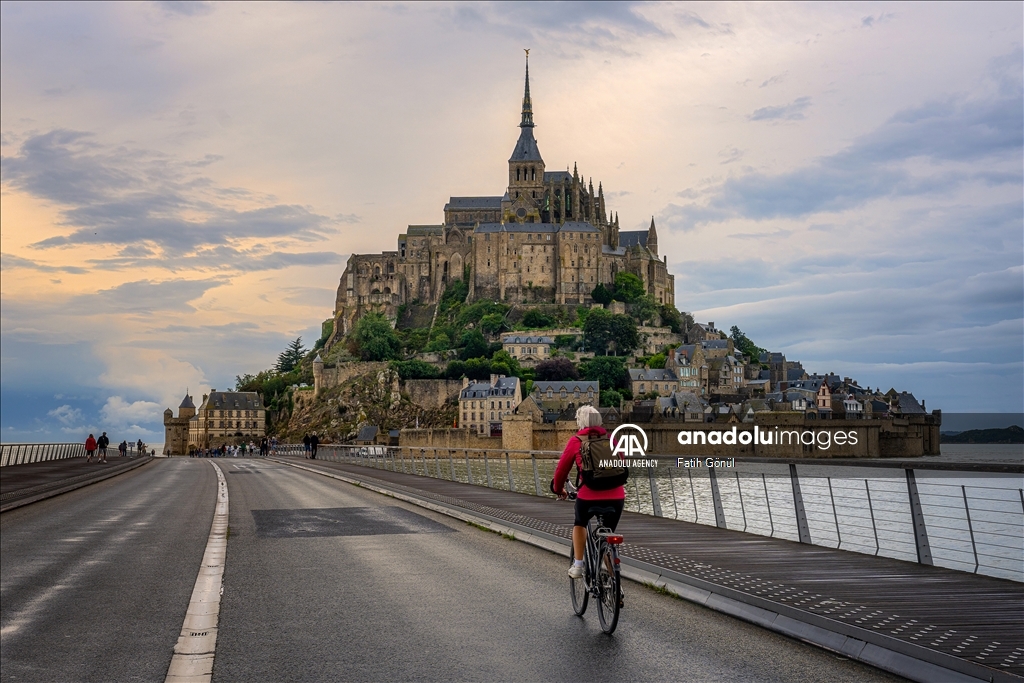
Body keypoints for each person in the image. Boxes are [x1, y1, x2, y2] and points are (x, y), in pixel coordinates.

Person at [551, 405, 626, 580]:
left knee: (580, 523)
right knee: (607, 536)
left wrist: (558, 489)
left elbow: (561, 471)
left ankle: (578, 565)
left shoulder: (576, 441)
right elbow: (620, 467)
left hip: (588, 496)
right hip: (616, 497)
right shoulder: (611, 440)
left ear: (580, 422)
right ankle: (615, 583)